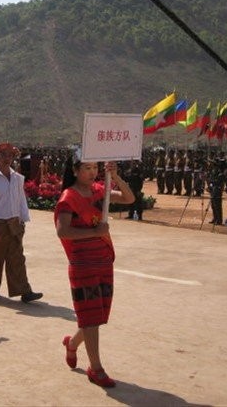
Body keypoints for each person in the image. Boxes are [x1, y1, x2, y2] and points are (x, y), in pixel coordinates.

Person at [55, 152, 135, 388]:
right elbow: (63, 231)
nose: (92, 172)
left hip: (103, 261)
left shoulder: (101, 191)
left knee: (95, 316)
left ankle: (72, 344)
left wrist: (116, 177)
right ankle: (95, 368)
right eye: (87, 168)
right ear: (75, 170)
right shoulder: (68, 198)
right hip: (82, 264)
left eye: (94, 168)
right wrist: (95, 232)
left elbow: (129, 199)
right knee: (90, 317)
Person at [0, 142, 43, 303]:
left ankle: (24, 291)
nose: (7, 159)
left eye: (10, 156)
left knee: (17, 258)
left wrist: (23, 220)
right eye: (4, 155)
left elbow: (21, 200)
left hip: (15, 223)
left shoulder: (16, 178)